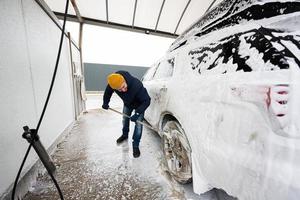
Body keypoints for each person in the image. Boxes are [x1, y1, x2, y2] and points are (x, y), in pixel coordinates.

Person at [102, 71, 151, 158]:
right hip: (128, 103)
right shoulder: (114, 82)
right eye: (120, 90)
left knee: (138, 125)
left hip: (139, 105)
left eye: (123, 87)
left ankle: (135, 146)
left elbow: (147, 100)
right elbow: (107, 92)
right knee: (125, 119)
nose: (123, 90)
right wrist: (105, 102)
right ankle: (124, 135)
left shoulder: (136, 85)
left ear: (124, 80)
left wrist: (137, 113)